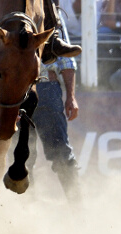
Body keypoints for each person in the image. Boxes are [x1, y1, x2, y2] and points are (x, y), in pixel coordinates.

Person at [24, 18, 82, 201]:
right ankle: (27, 211)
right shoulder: (50, 12)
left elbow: (66, 60)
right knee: (22, 158)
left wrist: (71, 97)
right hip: (30, 90)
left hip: (38, 89)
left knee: (58, 153)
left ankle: (77, 207)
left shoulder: (50, 12)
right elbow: (66, 61)